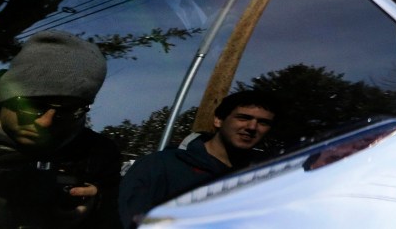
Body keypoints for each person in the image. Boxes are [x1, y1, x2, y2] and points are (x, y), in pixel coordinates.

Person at [0, 30, 121, 229]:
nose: (45, 122)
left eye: (68, 110)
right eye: (33, 105)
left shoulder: (97, 156)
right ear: (5, 94)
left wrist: (97, 209)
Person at [118, 90, 278, 229]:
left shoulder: (266, 180)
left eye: (263, 122)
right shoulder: (159, 166)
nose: (252, 127)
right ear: (218, 120)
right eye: (243, 118)